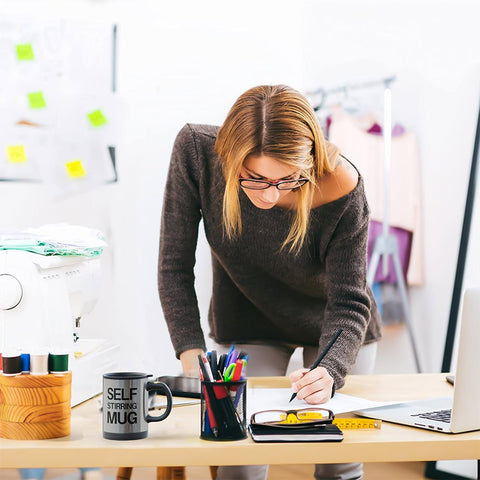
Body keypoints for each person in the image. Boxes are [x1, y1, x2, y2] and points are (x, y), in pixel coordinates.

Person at [158, 84, 381, 480]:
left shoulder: (343, 185)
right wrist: (190, 353)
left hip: (335, 325)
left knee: (338, 458)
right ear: (229, 157)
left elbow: (350, 300)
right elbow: (174, 266)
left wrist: (329, 370)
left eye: (289, 179)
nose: (270, 195)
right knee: (238, 459)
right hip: (249, 316)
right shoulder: (197, 153)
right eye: (255, 178)